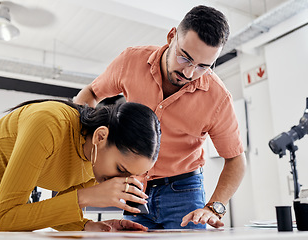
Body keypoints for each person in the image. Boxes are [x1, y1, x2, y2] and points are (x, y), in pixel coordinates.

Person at [73, 5, 246, 229]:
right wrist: (90, 151)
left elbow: (236, 160)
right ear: (171, 36)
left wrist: (214, 207)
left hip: (184, 189)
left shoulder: (218, 98)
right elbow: (91, 93)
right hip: (134, 187)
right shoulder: (131, 61)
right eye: (185, 58)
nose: (189, 73)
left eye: (203, 66)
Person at [0, 99, 161, 240]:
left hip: (8, 201)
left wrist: (89, 227)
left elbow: (59, 211)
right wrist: (85, 197)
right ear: (100, 136)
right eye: (121, 169)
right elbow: (2, 223)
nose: (121, 181)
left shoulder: (96, 160)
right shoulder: (49, 123)